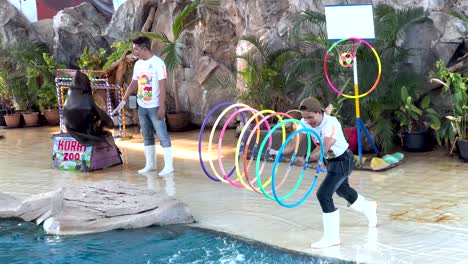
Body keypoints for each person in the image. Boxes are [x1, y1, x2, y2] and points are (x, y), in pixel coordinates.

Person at [274, 97, 377, 249]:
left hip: (343, 160)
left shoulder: (332, 123)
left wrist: (306, 159)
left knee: (323, 194)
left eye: (310, 117)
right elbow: (294, 141)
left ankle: (332, 238)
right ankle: (368, 207)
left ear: (318, 112)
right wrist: (278, 152)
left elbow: (324, 146)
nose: (307, 121)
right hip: (331, 161)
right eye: (305, 118)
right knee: (342, 190)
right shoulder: (305, 121)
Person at [113, 36, 173, 176]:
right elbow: (134, 83)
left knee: (162, 135)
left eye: (136, 49)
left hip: (155, 105)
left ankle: (169, 166)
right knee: (146, 135)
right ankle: (150, 165)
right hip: (142, 106)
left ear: (144, 48)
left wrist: (161, 106)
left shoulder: (158, 63)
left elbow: (162, 86)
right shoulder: (138, 64)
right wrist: (124, 99)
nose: (135, 52)